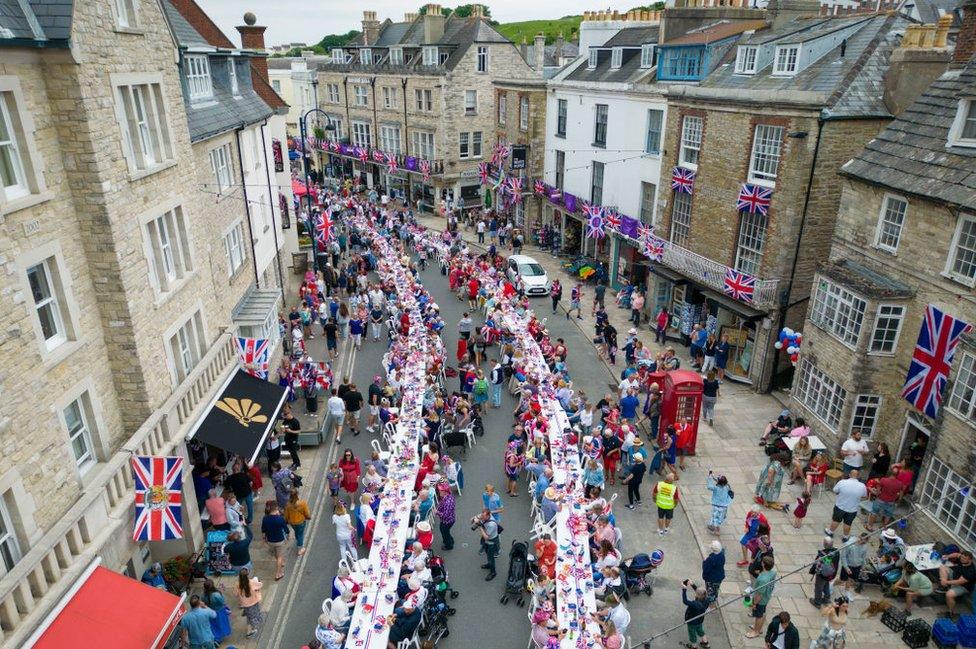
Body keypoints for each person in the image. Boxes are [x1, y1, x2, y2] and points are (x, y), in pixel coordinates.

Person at [825, 470, 867, 541]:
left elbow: (835, 490)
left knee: (836, 520)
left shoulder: (842, 482)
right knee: (848, 523)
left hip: (840, 506)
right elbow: (864, 496)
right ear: (858, 476)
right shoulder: (862, 486)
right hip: (852, 509)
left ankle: (830, 532)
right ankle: (845, 537)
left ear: (850, 475)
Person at [745, 555, 777, 639]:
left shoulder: (762, 580)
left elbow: (759, 594)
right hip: (767, 597)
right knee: (762, 613)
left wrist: (754, 603)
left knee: (759, 615)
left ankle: (756, 631)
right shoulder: (773, 572)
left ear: (763, 564)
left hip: (761, 600)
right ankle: (759, 628)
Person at [937, 549, 975, 619]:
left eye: (965, 559)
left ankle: (950, 612)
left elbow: (959, 582)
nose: (962, 559)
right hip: (954, 577)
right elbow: (957, 554)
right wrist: (947, 556)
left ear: (970, 560)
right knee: (942, 567)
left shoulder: (971, 571)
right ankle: (945, 587)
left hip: (963, 586)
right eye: (962, 557)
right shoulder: (961, 558)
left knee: (949, 594)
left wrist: (945, 581)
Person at [261, 501, 289, 581]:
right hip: (279, 540)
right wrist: (288, 534)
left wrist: (264, 539)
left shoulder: (265, 518)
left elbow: (263, 530)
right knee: (279, 556)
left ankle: (281, 563)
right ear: (276, 508)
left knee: (276, 555)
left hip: (270, 541)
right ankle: (278, 573)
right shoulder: (280, 518)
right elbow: (286, 529)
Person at [837, 533, 869, 600]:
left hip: (857, 566)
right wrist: (846, 567)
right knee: (842, 580)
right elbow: (843, 556)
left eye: (864, 542)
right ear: (859, 537)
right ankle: (832, 585)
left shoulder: (865, 546)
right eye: (862, 541)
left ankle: (847, 591)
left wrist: (863, 566)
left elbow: (863, 557)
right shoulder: (849, 544)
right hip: (848, 565)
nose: (862, 543)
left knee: (851, 580)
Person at [809, 537, 839, 606]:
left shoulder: (822, 555)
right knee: (826, 584)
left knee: (818, 587)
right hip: (831, 573)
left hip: (822, 575)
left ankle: (817, 602)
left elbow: (818, 568)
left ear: (824, 544)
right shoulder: (836, 551)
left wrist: (814, 571)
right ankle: (826, 599)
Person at [681, 581, 711, 649]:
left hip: (692, 621)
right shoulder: (706, 599)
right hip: (700, 620)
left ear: (697, 595)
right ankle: (705, 643)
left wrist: (684, 589)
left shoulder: (695, 604)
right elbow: (700, 592)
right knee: (700, 630)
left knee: (692, 634)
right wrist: (692, 585)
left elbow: (685, 601)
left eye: (696, 593)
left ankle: (694, 646)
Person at [473, 508, 500, 581]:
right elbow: (472, 520)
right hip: (488, 541)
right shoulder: (485, 515)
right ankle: (489, 564)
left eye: (484, 516)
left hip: (491, 541)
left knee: (491, 557)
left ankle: (493, 572)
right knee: (488, 553)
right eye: (482, 515)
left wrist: (480, 527)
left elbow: (486, 537)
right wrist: (475, 518)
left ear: (488, 515)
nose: (483, 517)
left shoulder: (492, 524)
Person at [202, 579, 231, 643]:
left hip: (210, 612)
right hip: (219, 612)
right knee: (221, 624)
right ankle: (220, 637)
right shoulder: (216, 595)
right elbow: (222, 602)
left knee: (213, 625)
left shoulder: (203, 595)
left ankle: (216, 637)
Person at [236, 568, 263, 637]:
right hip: (253, 602)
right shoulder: (251, 582)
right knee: (253, 616)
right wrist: (257, 580)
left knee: (249, 616)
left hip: (245, 604)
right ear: (247, 575)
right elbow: (260, 585)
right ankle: (253, 630)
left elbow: (237, 594)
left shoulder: (238, 585)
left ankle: (249, 630)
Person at [284, 488, 312, 556]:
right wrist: (308, 517)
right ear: (297, 494)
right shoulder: (302, 503)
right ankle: (300, 549)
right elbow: (307, 513)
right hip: (300, 522)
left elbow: (286, 515)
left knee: (297, 532)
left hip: (292, 522)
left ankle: (298, 540)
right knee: (300, 534)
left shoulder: (288, 504)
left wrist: (286, 521)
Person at [702, 540, 726, 606]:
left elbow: (706, 569)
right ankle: (714, 599)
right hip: (719, 577)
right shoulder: (722, 555)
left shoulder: (710, 559)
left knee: (710, 591)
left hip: (711, 578)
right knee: (716, 589)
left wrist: (704, 562)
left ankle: (711, 604)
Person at [435, 482, 456, 551]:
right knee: (444, 531)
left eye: (441, 490)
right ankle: (450, 540)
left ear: (445, 491)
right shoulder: (447, 496)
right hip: (448, 520)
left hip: (447, 521)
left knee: (444, 533)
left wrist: (437, 512)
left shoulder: (448, 502)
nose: (439, 491)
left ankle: (449, 546)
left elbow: (445, 515)